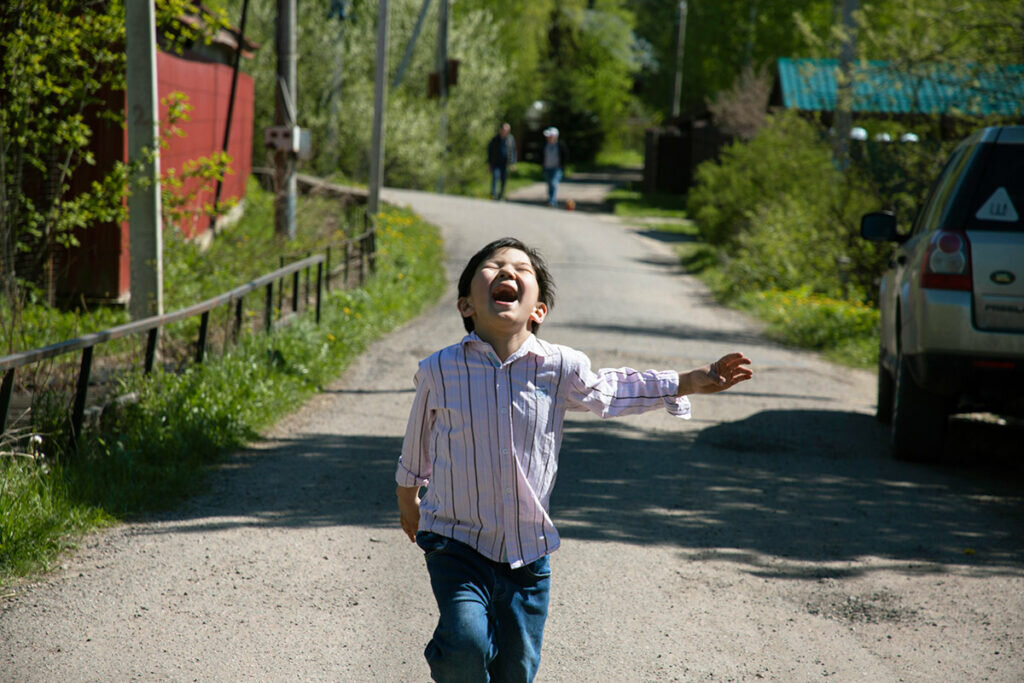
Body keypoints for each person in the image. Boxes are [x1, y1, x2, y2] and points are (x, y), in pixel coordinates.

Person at [395, 237, 753, 682]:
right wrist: (408, 498)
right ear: (466, 304)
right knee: (464, 646)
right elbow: (418, 440)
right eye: (494, 266)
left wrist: (686, 382)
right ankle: (455, 655)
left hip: (528, 554)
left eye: (521, 269)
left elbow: (613, 391)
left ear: (538, 310)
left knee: (517, 670)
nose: (508, 272)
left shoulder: (560, 366)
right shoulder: (439, 369)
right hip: (456, 542)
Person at [487, 122, 517, 200]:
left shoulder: (510, 139)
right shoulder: (495, 139)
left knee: (504, 180)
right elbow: (490, 151)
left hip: (506, 163)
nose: (505, 131)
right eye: (504, 129)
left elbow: (513, 151)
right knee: (495, 177)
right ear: (500, 129)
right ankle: (493, 194)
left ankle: (501, 195)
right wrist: (489, 163)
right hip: (496, 162)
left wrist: (512, 163)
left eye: (507, 130)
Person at [541, 127, 568, 207]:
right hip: (547, 167)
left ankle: (552, 201)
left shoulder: (560, 145)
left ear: (555, 136)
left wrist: (562, 166)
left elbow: (565, 156)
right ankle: (551, 199)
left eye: (550, 136)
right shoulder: (545, 145)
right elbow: (542, 156)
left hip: (557, 168)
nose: (548, 137)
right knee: (549, 184)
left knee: (553, 183)